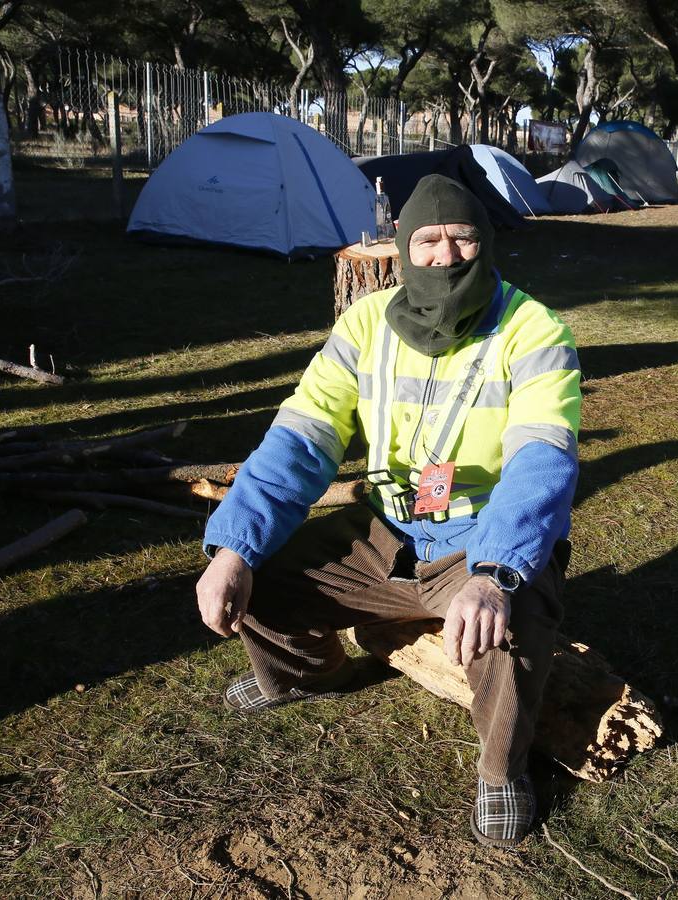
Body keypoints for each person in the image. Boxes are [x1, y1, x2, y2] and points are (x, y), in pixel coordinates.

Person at [195, 174, 581, 848]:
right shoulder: (365, 324)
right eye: (427, 241)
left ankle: (502, 772)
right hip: (390, 528)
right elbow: (301, 438)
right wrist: (232, 547)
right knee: (256, 572)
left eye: (462, 238)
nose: (446, 255)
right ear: (404, 249)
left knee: (508, 624)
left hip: (483, 536)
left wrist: (493, 574)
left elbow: (541, 462)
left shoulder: (534, 328)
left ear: (486, 243)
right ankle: (307, 676)